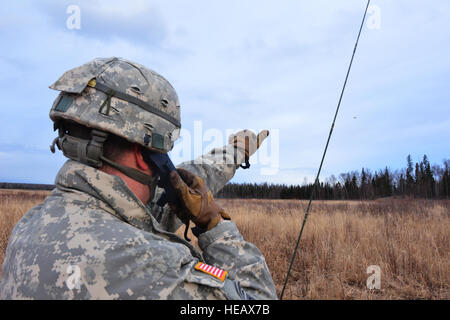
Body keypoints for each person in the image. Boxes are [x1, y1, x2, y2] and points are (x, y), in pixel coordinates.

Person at [0, 57, 277, 300]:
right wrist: (214, 226)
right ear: (142, 154)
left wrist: (236, 151)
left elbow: (152, 206)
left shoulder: (28, 226)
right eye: (162, 153)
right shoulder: (156, 267)